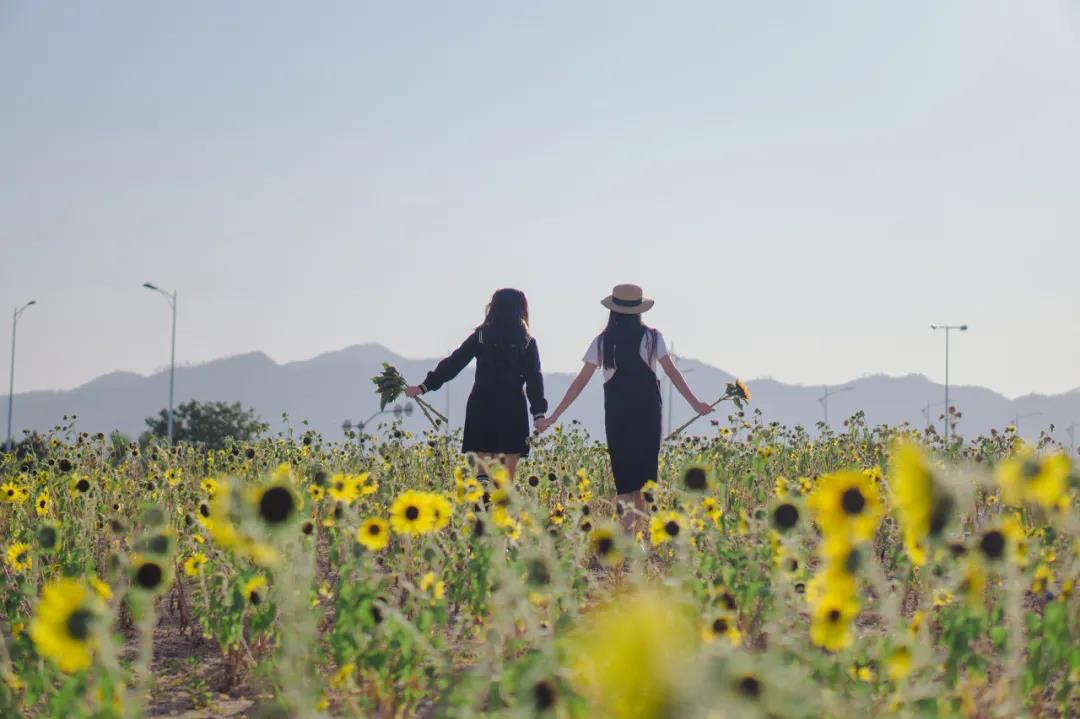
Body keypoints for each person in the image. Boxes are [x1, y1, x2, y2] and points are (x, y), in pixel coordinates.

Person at [536, 284, 713, 530]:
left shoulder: (603, 342)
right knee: (645, 476)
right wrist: (695, 403)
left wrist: (554, 416)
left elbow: (580, 382)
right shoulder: (652, 337)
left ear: (613, 310)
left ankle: (626, 536)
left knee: (624, 477)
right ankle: (637, 538)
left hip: (618, 415)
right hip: (648, 412)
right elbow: (672, 372)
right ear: (639, 311)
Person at [406, 288, 547, 481]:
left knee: (483, 474)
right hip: (512, 408)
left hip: (482, 406)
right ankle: (501, 508)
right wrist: (538, 413)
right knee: (506, 480)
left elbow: (454, 363)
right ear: (521, 309)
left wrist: (425, 386)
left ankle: (482, 507)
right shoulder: (527, 341)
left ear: (494, 308)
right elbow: (534, 378)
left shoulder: (481, 337)